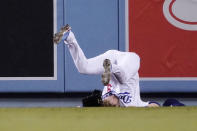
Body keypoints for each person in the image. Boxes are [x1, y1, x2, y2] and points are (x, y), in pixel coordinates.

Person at [54, 24, 160, 107]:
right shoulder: (132, 104)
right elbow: (155, 105)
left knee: (84, 68)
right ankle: (111, 67)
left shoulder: (105, 97)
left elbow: (83, 106)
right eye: (113, 106)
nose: (109, 103)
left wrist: (83, 106)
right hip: (130, 60)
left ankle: (70, 38)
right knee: (124, 77)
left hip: (111, 58)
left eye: (105, 103)